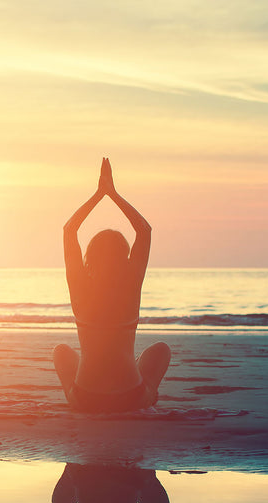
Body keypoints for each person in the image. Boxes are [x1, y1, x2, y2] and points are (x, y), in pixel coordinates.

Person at [54, 158, 170, 412]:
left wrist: (99, 195)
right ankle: (149, 395)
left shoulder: (79, 286)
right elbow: (145, 231)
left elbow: (69, 231)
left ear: (89, 258)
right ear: (124, 257)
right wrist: (113, 194)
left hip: (85, 399)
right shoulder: (131, 284)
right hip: (131, 398)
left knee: (62, 352)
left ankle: (72, 399)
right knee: (161, 350)